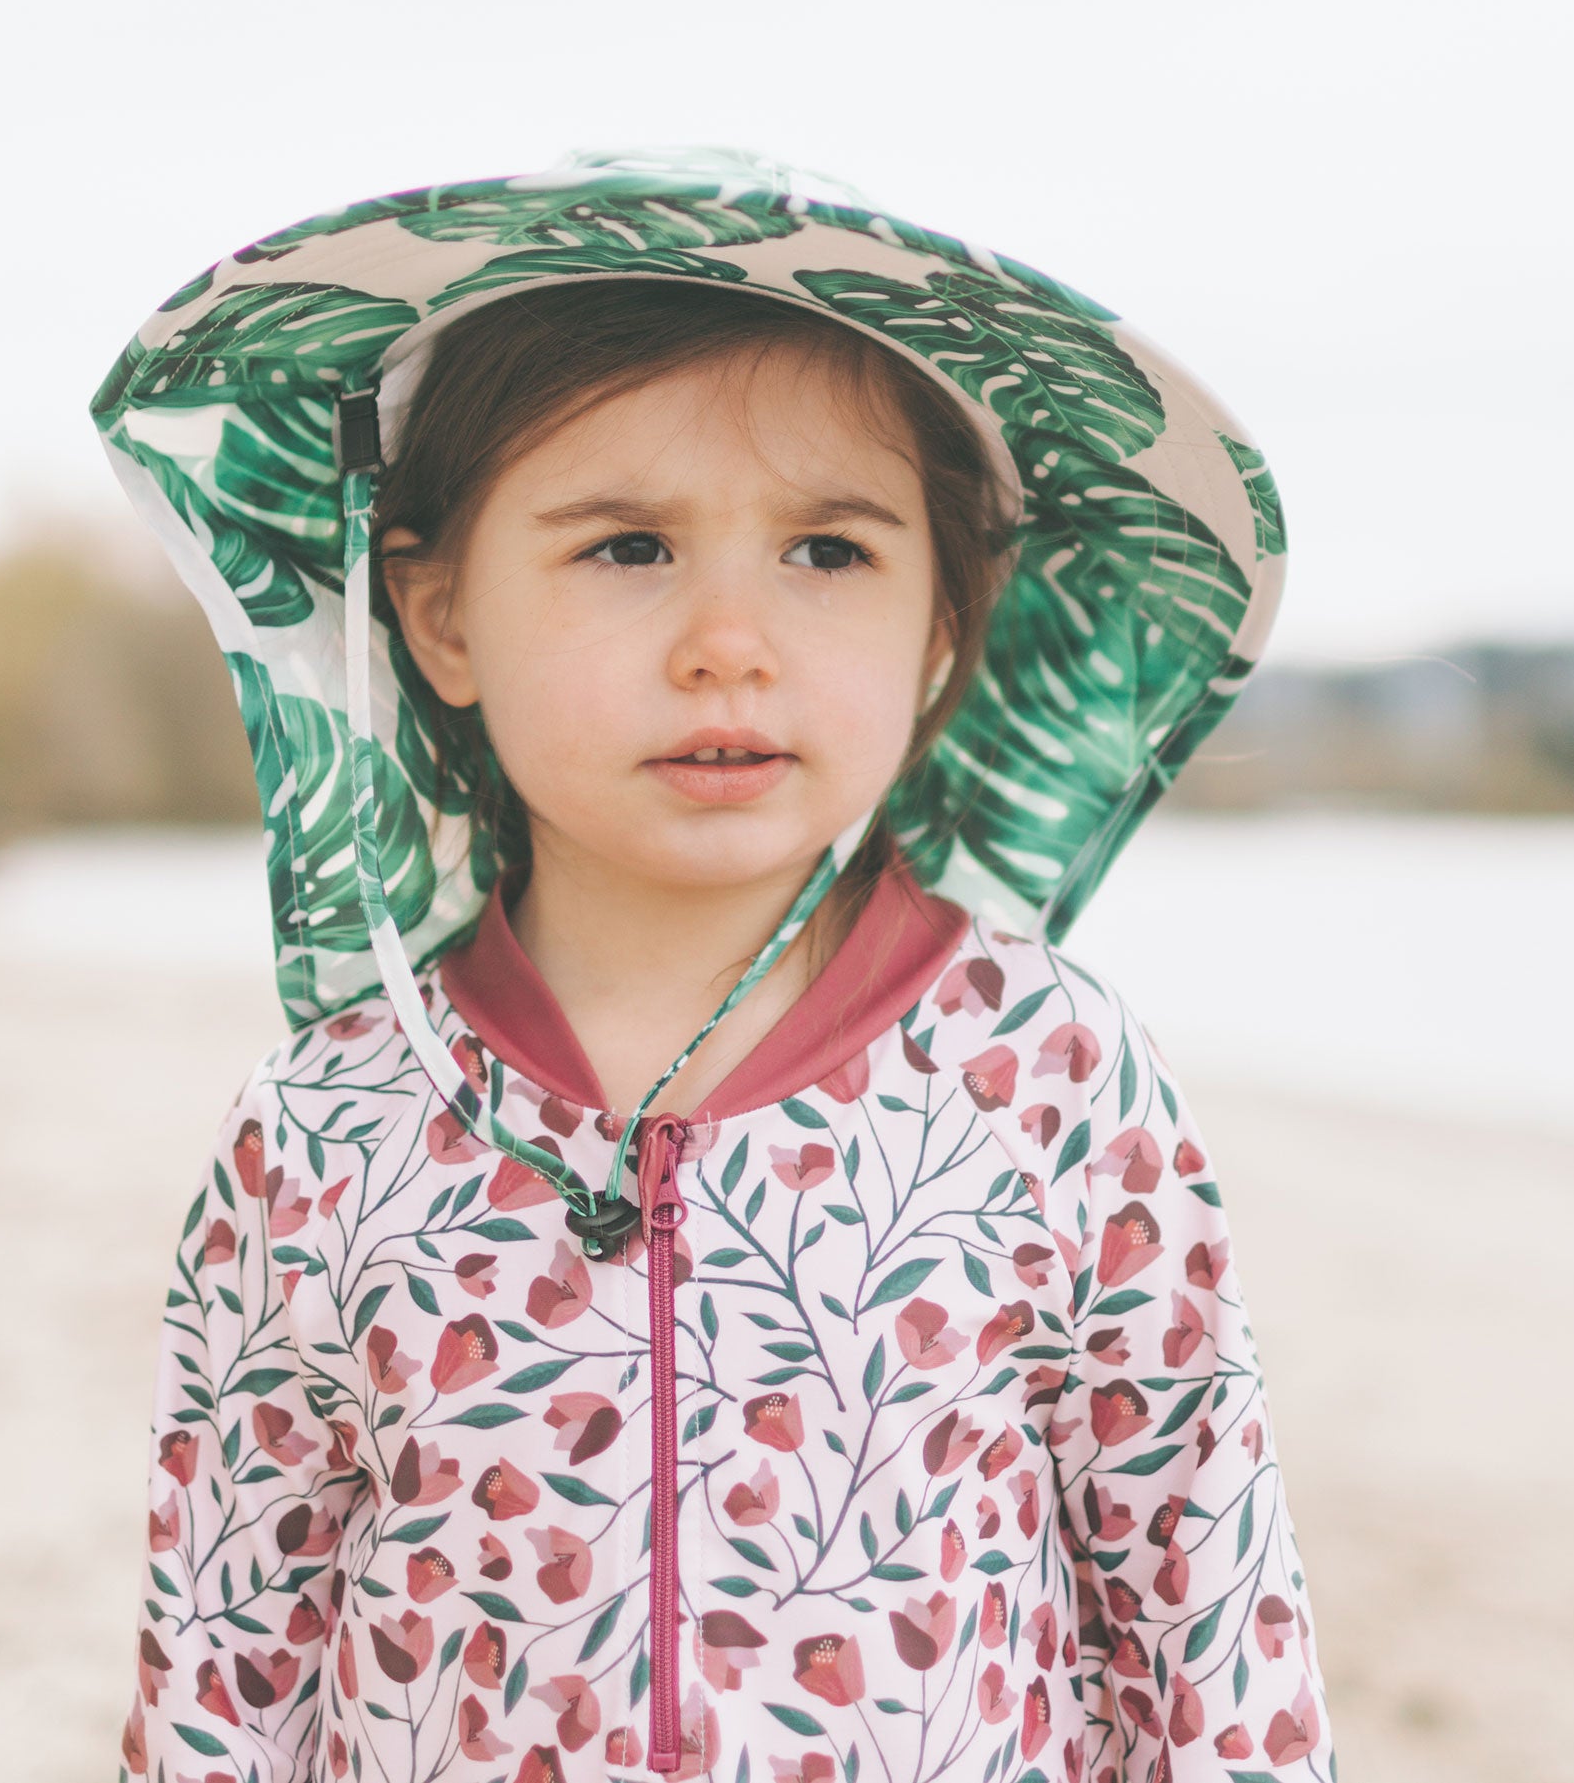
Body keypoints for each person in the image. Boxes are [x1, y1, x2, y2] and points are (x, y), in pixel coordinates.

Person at [93, 148, 1337, 1783]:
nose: (728, 640)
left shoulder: (1049, 1077)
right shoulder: (326, 1125)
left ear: (945, 631)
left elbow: (1206, 1602)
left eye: (830, 552)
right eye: (627, 547)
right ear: (442, 613)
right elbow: (226, 1648)